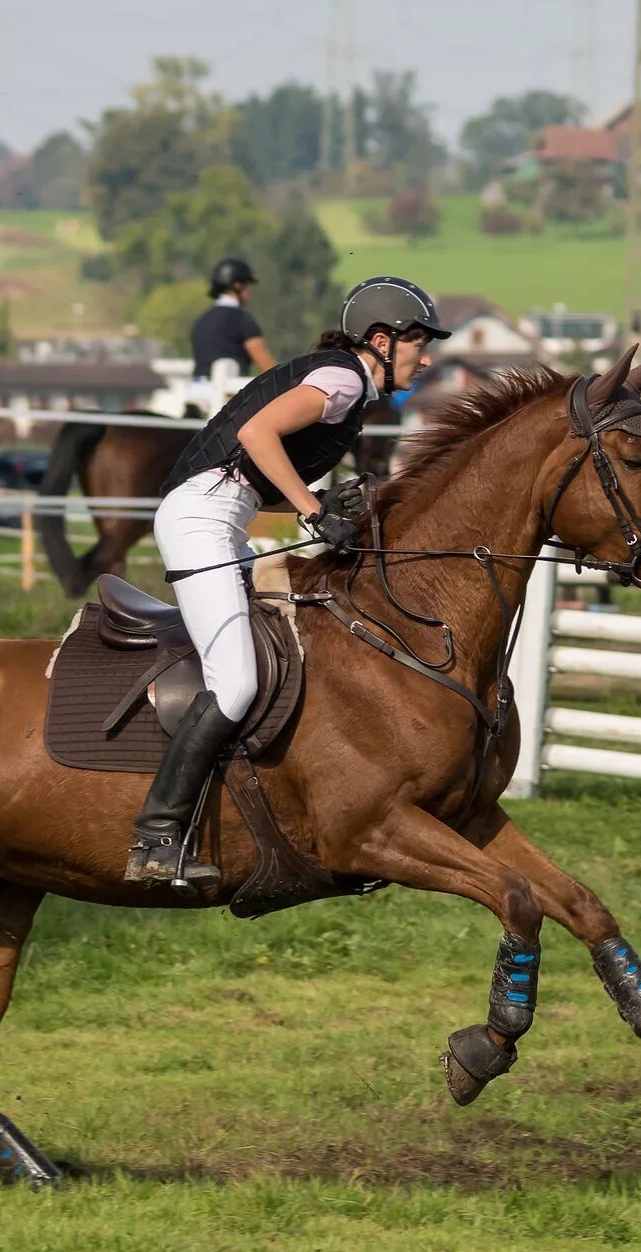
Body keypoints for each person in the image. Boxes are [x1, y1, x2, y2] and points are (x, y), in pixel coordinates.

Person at [125, 276, 450, 886]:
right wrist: (311, 509)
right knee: (237, 683)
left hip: (224, 515)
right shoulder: (345, 379)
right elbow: (255, 435)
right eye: (419, 343)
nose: (426, 357)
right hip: (202, 519)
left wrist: (322, 503)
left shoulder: (345, 389)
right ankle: (157, 836)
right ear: (382, 340)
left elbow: (254, 480)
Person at [189, 258, 274, 381]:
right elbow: (267, 367)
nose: (249, 293)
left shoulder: (200, 321)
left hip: (197, 391)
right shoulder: (242, 320)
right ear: (237, 285)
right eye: (247, 286)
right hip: (229, 393)